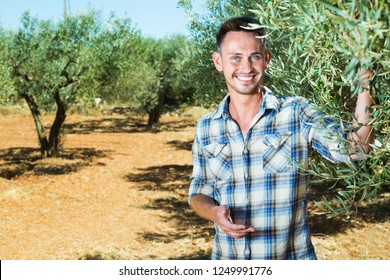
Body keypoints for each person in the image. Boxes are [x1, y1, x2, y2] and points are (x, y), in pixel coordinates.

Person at [188, 16, 374, 260]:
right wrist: (214, 213)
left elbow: (356, 148)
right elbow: (198, 192)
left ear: (266, 60)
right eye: (235, 57)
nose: (246, 67)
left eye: (254, 56)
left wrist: (366, 82)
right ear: (218, 61)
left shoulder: (296, 113)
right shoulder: (206, 127)